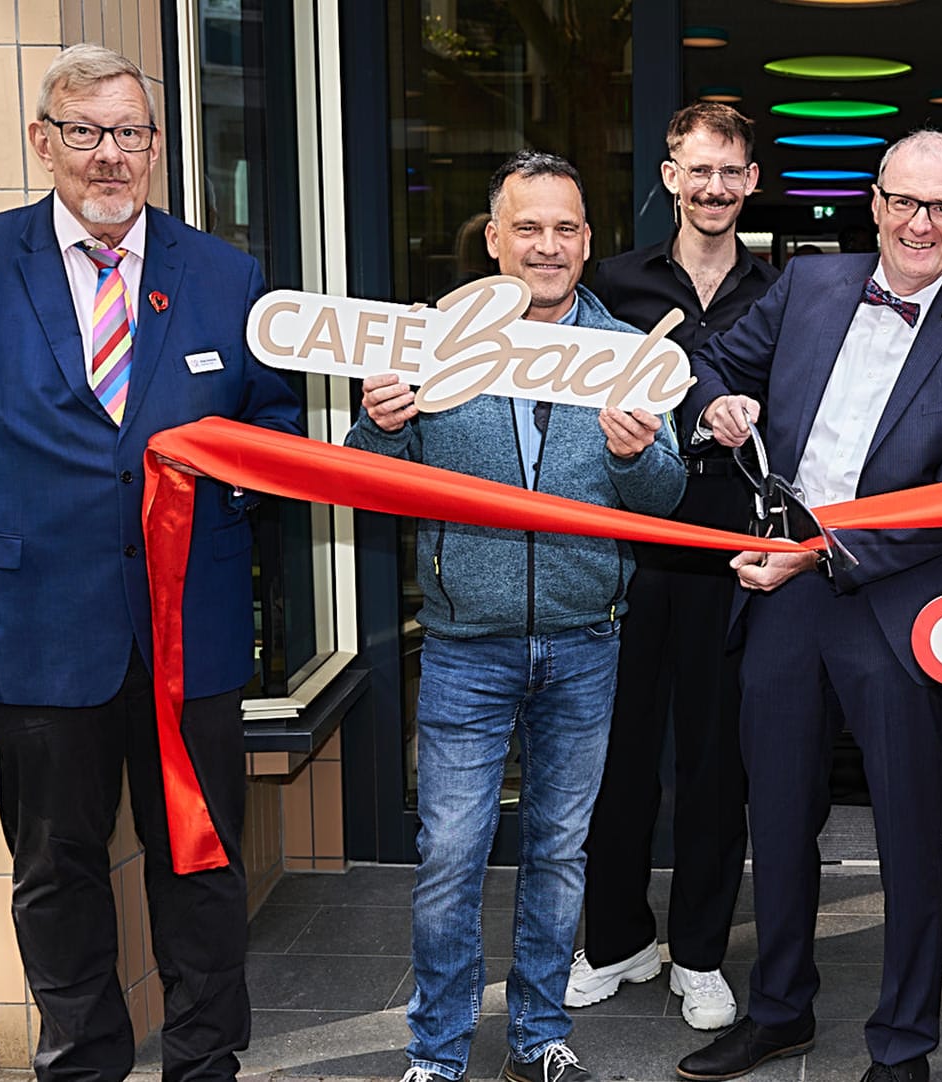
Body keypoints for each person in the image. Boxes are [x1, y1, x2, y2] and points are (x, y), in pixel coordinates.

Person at [0, 43, 303, 1082]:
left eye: (129, 133)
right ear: (44, 141)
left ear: (157, 147)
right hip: (34, 641)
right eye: (85, 132)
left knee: (201, 867)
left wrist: (221, 485)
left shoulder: (226, 273)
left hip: (187, 641)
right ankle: (81, 1064)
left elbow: (275, 430)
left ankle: (206, 1063)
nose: (109, 155)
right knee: (56, 875)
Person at [672, 129, 942, 1082]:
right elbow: (707, 366)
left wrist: (823, 554)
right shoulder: (807, 284)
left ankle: (904, 1043)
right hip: (784, 597)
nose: (921, 224)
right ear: (875, 202)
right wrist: (717, 408)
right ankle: (780, 1008)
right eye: (906, 202)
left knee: (910, 829)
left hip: (900, 606)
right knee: (779, 814)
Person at [348, 149, 685, 1082]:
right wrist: (380, 424)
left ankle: (539, 1039)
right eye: (527, 228)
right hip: (465, 648)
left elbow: (665, 494)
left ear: (588, 241)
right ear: (493, 239)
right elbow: (368, 477)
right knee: (451, 853)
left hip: (586, 643)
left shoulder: (627, 350)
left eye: (565, 228)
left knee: (557, 851)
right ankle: (436, 1054)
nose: (547, 246)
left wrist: (633, 454)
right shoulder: (430, 340)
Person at [571, 102, 777, 1031]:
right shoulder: (608, 283)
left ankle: (699, 953)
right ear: (668, 177)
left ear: (752, 182)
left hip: (733, 556)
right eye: (699, 171)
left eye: (731, 172)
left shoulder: (783, 292)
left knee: (713, 761)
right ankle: (614, 938)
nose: (714, 189)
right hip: (621, 546)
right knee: (614, 758)